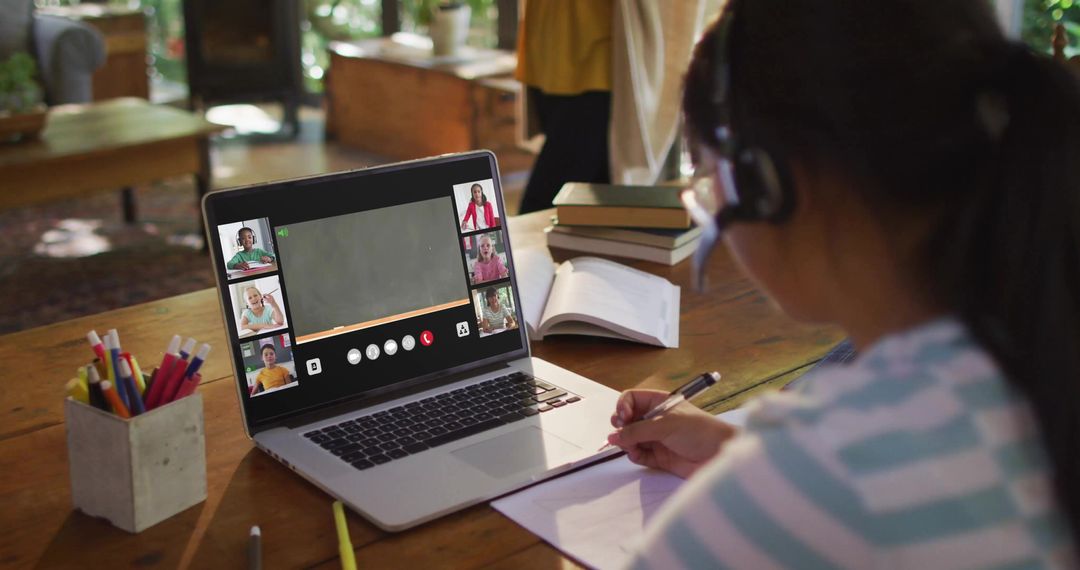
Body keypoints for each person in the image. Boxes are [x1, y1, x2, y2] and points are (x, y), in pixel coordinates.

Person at [608, 1, 1080, 567]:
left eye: (708, 183)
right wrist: (735, 454)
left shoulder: (832, 469)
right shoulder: (1033, 347)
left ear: (768, 181)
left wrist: (776, 483)